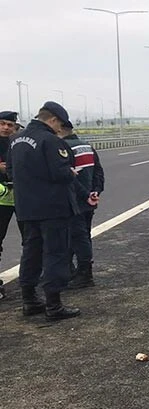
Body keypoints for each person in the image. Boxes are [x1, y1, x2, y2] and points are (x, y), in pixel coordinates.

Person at [9, 101, 94, 320]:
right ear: (53, 119)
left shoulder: (16, 140)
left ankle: (29, 300)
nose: (60, 129)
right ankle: (54, 306)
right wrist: (71, 174)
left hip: (27, 208)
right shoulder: (50, 141)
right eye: (60, 124)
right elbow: (61, 173)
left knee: (31, 253)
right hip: (53, 208)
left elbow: (10, 170)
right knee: (55, 253)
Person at [60, 120, 104, 289]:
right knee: (84, 235)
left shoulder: (63, 148)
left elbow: (66, 177)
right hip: (89, 199)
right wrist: (96, 191)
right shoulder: (87, 146)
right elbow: (98, 172)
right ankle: (77, 271)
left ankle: (84, 274)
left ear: (60, 129)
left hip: (74, 200)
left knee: (77, 237)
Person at [0, 111, 22, 295]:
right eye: (2, 124)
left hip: (22, 197)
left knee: (31, 239)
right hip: (1, 201)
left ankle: (30, 279)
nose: (6, 128)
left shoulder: (18, 144)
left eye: (9, 124)